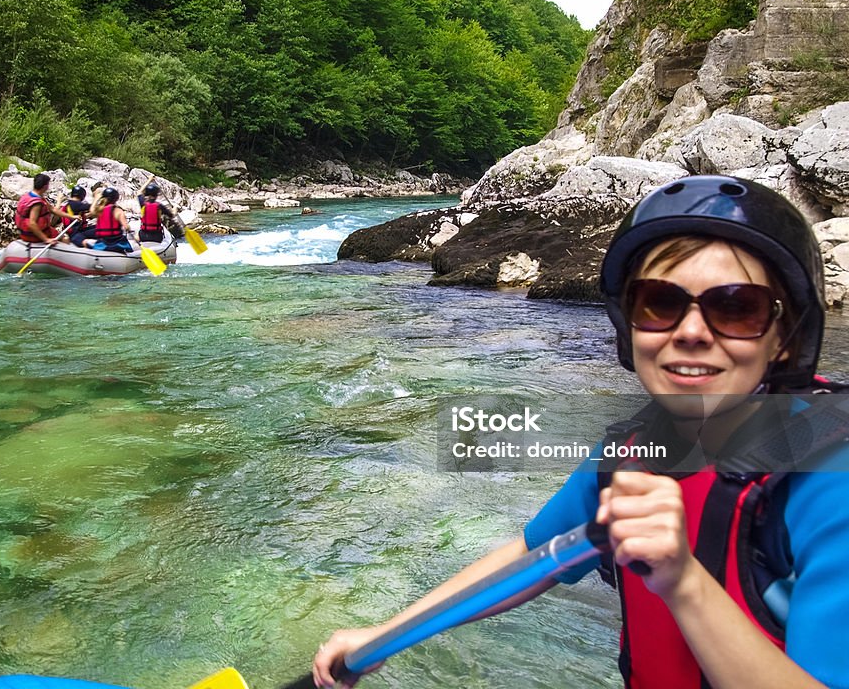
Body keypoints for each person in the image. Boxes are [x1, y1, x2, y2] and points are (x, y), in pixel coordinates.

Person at [313, 175, 849, 689]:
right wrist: (385, 634)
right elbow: (532, 559)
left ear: (784, 337)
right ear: (629, 324)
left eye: (736, 308)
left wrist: (684, 583)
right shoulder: (636, 450)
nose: (689, 333)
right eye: (659, 303)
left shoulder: (830, 479)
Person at [14, 172, 73, 245]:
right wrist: (46, 239)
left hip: (25, 232)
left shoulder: (30, 196)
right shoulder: (37, 204)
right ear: (45, 186)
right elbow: (32, 223)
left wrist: (72, 216)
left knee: (55, 231)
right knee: (65, 238)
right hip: (33, 235)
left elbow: (53, 209)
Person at [84, 187, 132, 253]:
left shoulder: (99, 210)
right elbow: (126, 227)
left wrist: (96, 198)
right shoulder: (118, 211)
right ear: (116, 198)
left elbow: (91, 210)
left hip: (103, 242)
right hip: (117, 243)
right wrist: (129, 229)